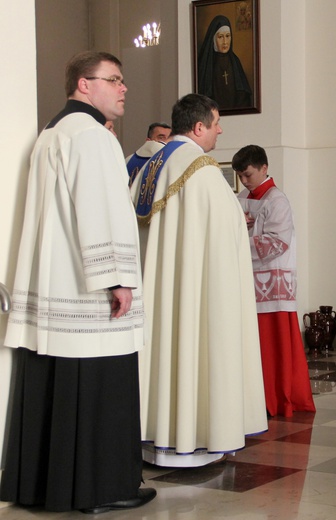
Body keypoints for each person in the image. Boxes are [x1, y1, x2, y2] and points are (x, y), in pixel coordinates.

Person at [0, 51, 155, 514]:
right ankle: (103, 488)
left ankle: (43, 488)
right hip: (87, 291)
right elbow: (99, 209)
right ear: (84, 85)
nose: (124, 88)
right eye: (115, 79)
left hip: (56, 285)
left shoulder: (53, 133)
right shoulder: (93, 135)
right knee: (102, 385)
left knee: (58, 383)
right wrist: (118, 278)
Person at [130, 94, 267, 467]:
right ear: (199, 127)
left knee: (160, 352)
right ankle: (192, 442)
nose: (221, 130)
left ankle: (152, 434)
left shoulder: (148, 166)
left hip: (152, 299)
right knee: (193, 347)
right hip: (194, 296)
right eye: (217, 122)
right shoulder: (201, 169)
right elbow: (228, 235)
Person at [233, 145, 316, 418]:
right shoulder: (242, 196)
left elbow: (278, 242)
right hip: (247, 281)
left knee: (274, 347)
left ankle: (279, 399)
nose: (244, 182)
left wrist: (238, 238)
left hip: (273, 284)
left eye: (248, 174)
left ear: (264, 168)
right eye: (241, 177)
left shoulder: (277, 200)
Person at [197, 15, 253, 109]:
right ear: (213, 39)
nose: (225, 42)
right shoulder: (207, 62)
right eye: (220, 37)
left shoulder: (235, 61)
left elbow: (243, 93)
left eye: (227, 36)